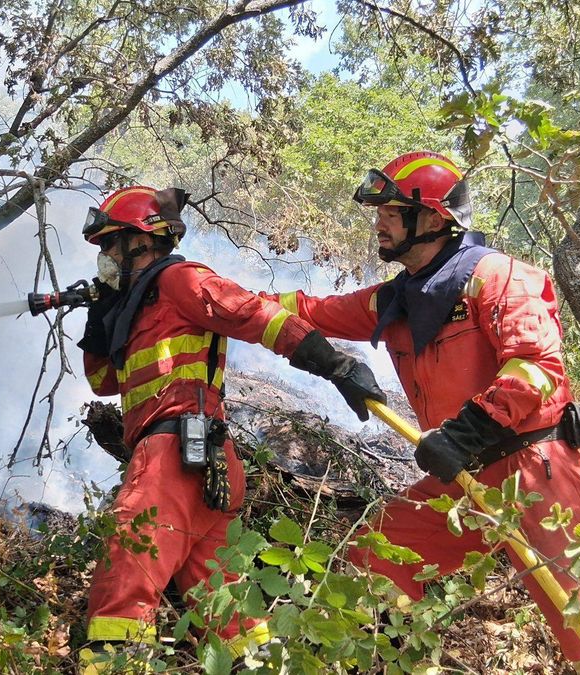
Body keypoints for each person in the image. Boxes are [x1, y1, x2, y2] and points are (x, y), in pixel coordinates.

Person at [263, 152, 580, 674]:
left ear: (432, 218)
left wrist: (466, 431)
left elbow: (536, 366)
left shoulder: (499, 276)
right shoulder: (397, 300)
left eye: (390, 212)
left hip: (537, 469)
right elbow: (311, 311)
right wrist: (226, 303)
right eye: (379, 211)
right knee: (375, 557)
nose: (378, 223)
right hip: (463, 474)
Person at [75, 185, 385, 672]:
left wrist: (334, 365)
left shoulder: (179, 279)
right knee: (228, 611)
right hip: (203, 464)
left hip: (171, 457)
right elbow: (104, 382)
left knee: (129, 567)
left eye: (109, 244)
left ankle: (114, 663)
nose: (105, 258)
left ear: (140, 241)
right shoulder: (143, 307)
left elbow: (252, 315)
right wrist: (99, 318)